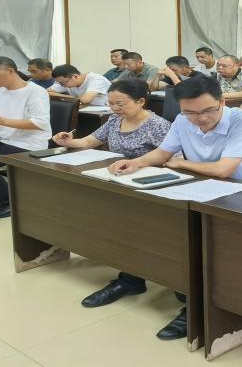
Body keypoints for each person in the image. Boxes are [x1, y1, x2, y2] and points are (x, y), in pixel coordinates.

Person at [108, 76, 242, 340]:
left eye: (208, 110)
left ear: (223, 101)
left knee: (201, 244)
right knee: (153, 224)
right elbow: (163, 153)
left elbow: (224, 169)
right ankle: (149, 282)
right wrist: (137, 163)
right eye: (190, 112)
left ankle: (198, 303)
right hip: (201, 190)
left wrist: (181, 163)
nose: (200, 118)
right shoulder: (183, 120)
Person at [53, 78, 174, 314]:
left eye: (121, 104)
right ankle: (128, 274)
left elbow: (170, 158)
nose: (115, 108)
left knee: (131, 229)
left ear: (140, 101)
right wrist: (69, 141)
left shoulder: (158, 125)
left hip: (146, 186)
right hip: (117, 180)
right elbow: (90, 141)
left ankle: (130, 279)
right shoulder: (114, 120)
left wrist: (139, 165)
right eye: (110, 103)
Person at [0, 57, 52, 219]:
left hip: (27, 142)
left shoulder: (36, 92)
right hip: (1, 137)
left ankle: (9, 202)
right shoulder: (1, 90)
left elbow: (40, 123)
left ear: (10, 71)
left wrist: (2, 121)